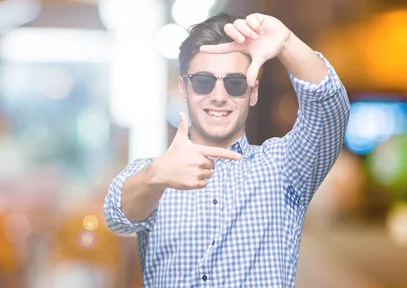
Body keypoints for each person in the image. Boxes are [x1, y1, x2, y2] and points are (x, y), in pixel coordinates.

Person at [103, 12, 350, 287]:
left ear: (252, 92)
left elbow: (329, 111)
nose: (218, 97)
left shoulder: (284, 169)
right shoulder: (154, 173)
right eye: (204, 82)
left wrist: (287, 42)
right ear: (184, 89)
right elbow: (116, 216)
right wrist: (156, 176)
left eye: (234, 83)